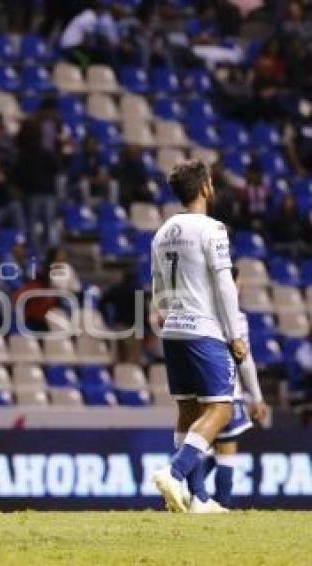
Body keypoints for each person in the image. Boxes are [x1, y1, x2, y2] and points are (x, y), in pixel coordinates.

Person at [151, 159, 247, 513]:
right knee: (220, 409)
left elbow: (158, 290)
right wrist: (234, 334)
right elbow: (224, 284)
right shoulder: (213, 229)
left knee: (188, 410)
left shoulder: (161, 232)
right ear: (206, 186)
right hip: (204, 328)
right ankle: (174, 473)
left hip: (173, 328)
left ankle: (198, 498)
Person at [199, 267, 268, 509]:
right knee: (226, 450)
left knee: (203, 448)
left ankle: (186, 491)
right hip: (227, 390)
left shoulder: (198, 314)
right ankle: (221, 504)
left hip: (198, 392)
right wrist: (257, 397)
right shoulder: (235, 318)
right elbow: (244, 360)